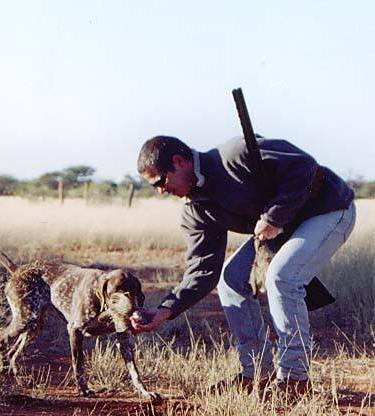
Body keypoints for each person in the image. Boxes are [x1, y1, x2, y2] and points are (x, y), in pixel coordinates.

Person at [130, 135, 355, 397]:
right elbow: (202, 270)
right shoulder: (195, 211)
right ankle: (256, 373)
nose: (160, 191)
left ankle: (296, 380)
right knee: (230, 281)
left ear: (179, 162)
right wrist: (165, 310)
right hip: (282, 230)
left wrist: (273, 216)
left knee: (282, 277)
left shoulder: (236, 154)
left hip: (329, 210)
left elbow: (304, 166)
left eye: (160, 182)